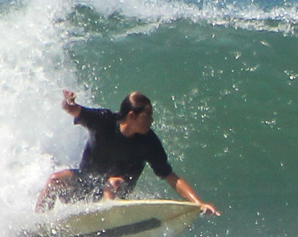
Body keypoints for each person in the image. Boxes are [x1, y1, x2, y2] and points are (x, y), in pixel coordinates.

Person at [36, 90, 220, 215]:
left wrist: (198, 203)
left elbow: (170, 177)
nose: (152, 120)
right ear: (132, 115)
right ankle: (39, 225)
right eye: (147, 115)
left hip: (117, 191)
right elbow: (71, 109)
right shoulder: (103, 121)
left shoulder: (149, 142)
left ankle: (107, 223)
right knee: (55, 180)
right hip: (85, 184)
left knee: (113, 182)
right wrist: (68, 102)